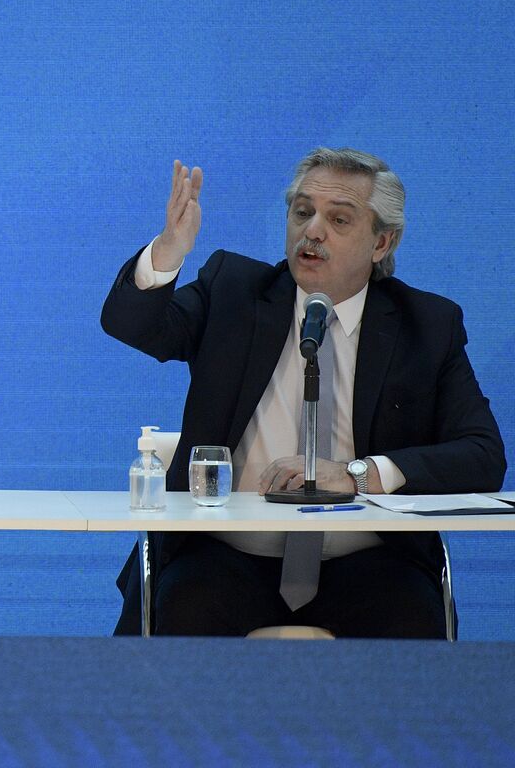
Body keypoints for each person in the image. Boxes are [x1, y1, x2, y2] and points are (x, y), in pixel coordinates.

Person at [101, 148, 505, 638]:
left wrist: (360, 475)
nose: (312, 231)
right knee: (183, 610)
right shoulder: (233, 291)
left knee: (411, 623)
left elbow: (482, 455)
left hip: (371, 564)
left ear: (382, 242)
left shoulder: (428, 326)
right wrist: (170, 250)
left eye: (339, 219)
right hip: (224, 557)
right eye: (302, 212)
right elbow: (130, 325)